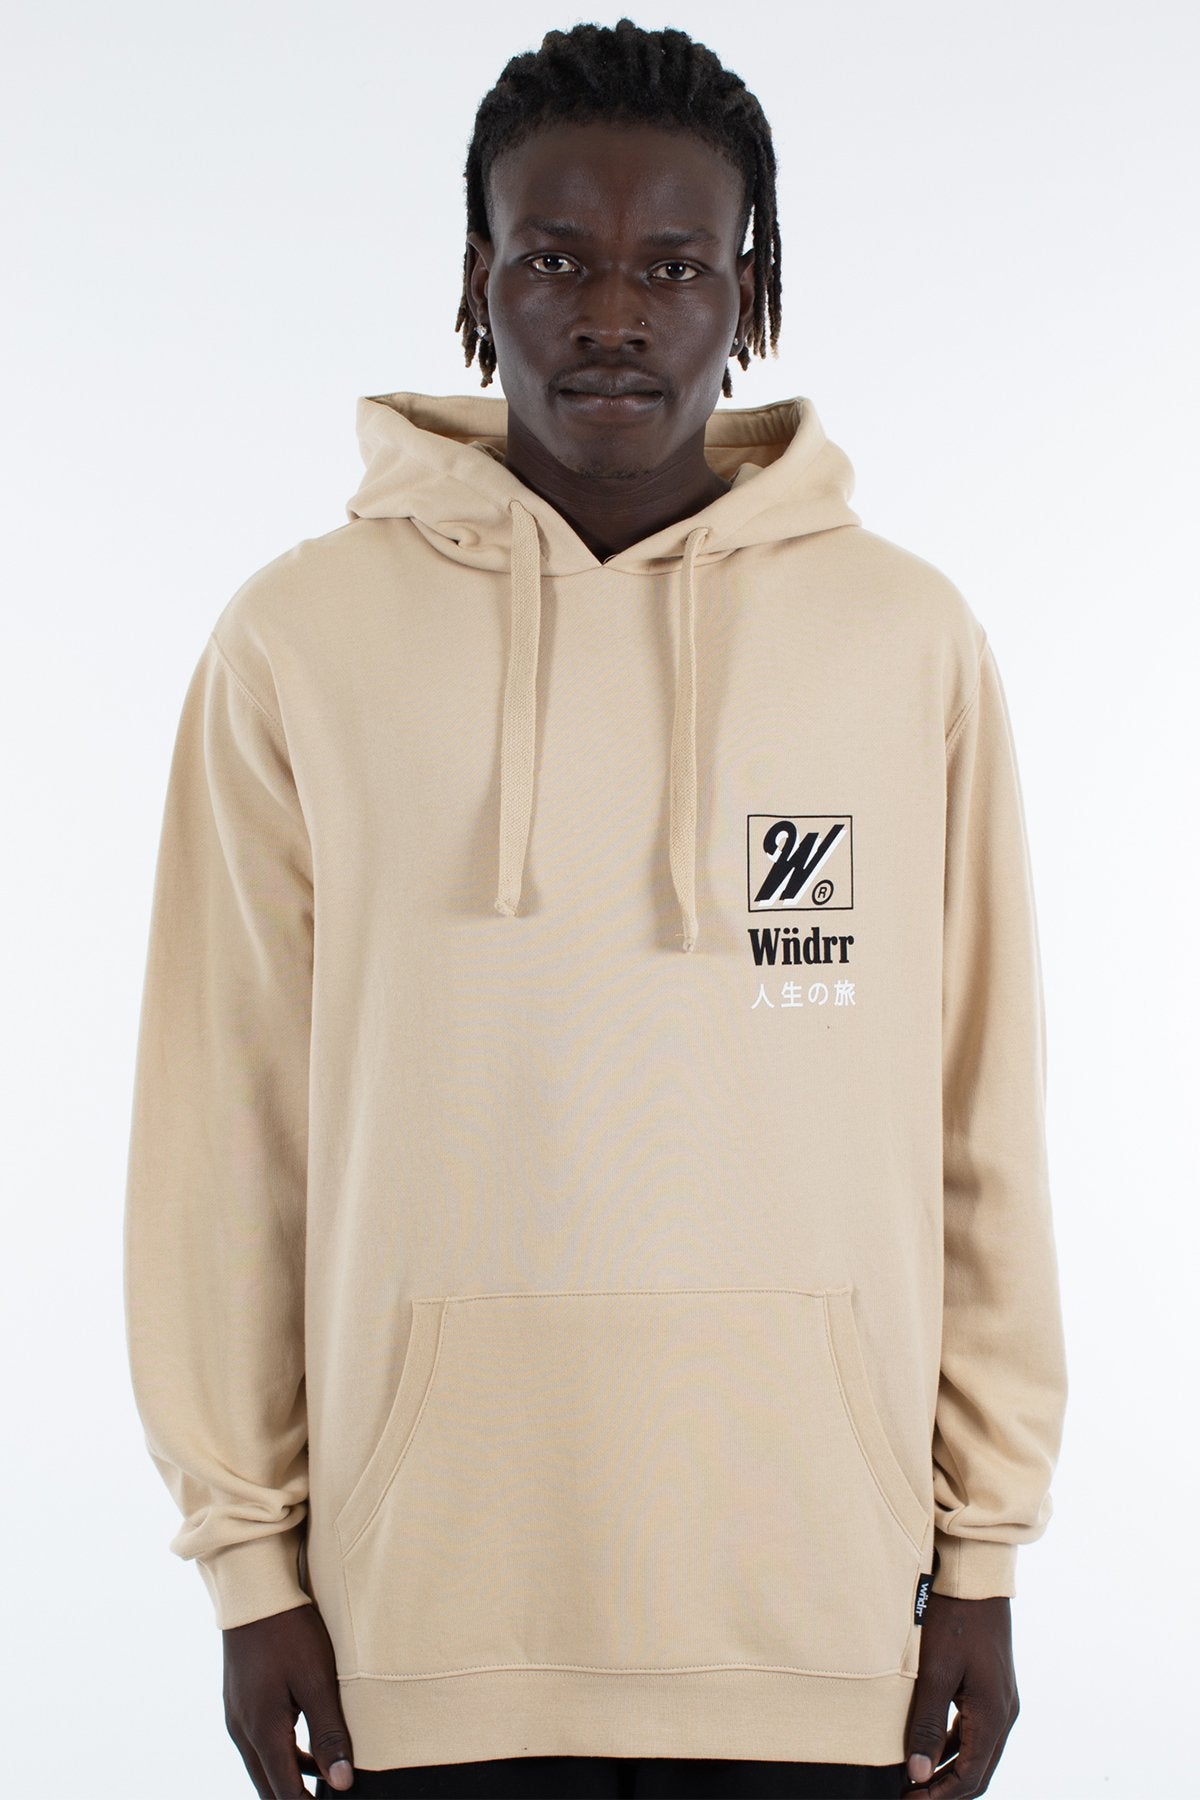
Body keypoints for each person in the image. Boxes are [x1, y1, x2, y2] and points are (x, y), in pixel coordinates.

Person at [122, 19, 1069, 1800]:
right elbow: (223, 1128)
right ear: (477, 284)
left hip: (819, 1613)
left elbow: (980, 1121)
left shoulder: (904, 641)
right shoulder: (300, 639)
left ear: (750, 292)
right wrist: (249, 1567)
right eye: (555, 260)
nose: (613, 315)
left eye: (674, 266)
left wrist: (984, 1551)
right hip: (421, 1625)